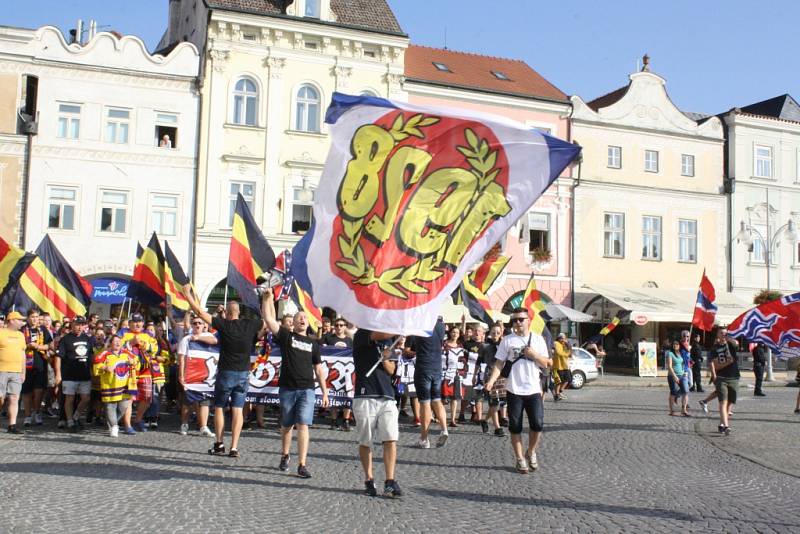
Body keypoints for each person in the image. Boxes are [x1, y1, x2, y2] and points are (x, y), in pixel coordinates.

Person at [183, 287, 266, 459]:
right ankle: (234, 447)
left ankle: (219, 443)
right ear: (239, 312)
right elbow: (267, 321)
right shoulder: (250, 324)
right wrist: (267, 299)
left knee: (220, 407)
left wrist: (188, 295)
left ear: (227, 313)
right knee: (237, 409)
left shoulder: (224, 325)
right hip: (243, 374)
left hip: (226, 372)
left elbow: (199, 311)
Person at [263, 291, 329, 478]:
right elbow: (269, 318)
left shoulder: (314, 344)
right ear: (293, 322)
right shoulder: (287, 337)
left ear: (308, 323)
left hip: (307, 389)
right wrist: (267, 299)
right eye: (299, 317)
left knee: (303, 424)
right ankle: (285, 455)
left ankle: (302, 463)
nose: (302, 320)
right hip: (287, 388)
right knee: (287, 425)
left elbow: (319, 370)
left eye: (304, 318)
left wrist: (324, 393)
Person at [485, 308, 552, 474]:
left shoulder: (538, 340)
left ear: (528, 320)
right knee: (515, 427)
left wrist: (534, 355)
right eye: (514, 320)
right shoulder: (507, 340)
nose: (517, 323)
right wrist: (491, 381)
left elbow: (547, 363)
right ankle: (520, 458)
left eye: (521, 319)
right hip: (514, 389)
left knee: (537, 424)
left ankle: (531, 451)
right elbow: (499, 363)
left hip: (533, 389)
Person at [352, 329, 402, 498]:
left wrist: (387, 356)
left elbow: (391, 370)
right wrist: (401, 328)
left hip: (387, 396)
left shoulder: (390, 341)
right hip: (365, 395)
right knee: (366, 441)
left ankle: (390, 480)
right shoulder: (362, 334)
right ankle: (369, 479)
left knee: (390, 438)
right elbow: (377, 335)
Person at [408, 317, 449, 449]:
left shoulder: (417, 325)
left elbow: (407, 348)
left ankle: (424, 439)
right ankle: (444, 429)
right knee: (437, 399)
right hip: (437, 367)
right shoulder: (441, 326)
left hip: (423, 367)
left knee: (425, 402)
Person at [177, 316, 218, 437]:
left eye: (200, 323)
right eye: (195, 323)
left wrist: (198, 337)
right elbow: (182, 358)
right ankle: (184, 424)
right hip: (190, 375)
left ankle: (203, 426)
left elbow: (214, 341)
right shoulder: (186, 339)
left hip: (206, 376)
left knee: (205, 401)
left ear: (204, 325)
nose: (197, 325)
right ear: (192, 325)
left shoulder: (209, 336)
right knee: (187, 402)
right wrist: (181, 376)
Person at [93, 335, 139, 436]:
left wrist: (133, 362)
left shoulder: (126, 353)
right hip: (110, 385)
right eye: (115, 341)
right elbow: (96, 365)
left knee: (123, 407)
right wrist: (105, 367)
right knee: (110, 407)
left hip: (125, 386)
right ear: (110, 343)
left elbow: (137, 361)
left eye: (119, 341)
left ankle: (113, 422)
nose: (118, 343)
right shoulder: (105, 354)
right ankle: (114, 426)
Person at [119, 313, 158, 432]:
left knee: (147, 397)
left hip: (145, 369)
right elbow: (116, 347)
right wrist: (130, 342)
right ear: (129, 323)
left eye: (139, 321)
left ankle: (137, 419)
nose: (137, 324)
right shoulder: (122, 333)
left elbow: (155, 349)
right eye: (134, 321)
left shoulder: (148, 334)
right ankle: (127, 424)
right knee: (129, 398)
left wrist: (144, 344)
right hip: (130, 370)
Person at [55, 316, 94, 432]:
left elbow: (91, 356)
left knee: (86, 398)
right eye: (77, 324)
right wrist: (58, 374)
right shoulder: (65, 339)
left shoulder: (87, 338)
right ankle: (70, 422)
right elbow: (58, 357)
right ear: (72, 324)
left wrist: (93, 371)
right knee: (69, 399)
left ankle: (76, 417)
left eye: (82, 324)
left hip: (84, 374)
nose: (80, 327)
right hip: (69, 374)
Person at [21, 309, 52, 427]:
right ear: (28, 317)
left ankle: (37, 412)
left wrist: (38, 346)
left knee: (39, 391)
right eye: (32, 317)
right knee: (27, 391)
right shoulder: (22, 330)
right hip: (26, 364)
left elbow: (50, 345)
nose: (35, 319)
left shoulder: (43, 329)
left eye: (37, 317)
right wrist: (27, 345)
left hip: (40, 364)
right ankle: (27, 415)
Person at [321, 318, 353, 431]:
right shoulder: (329, 338)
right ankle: (333, 421)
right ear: (334, 326)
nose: (339, 327)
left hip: (347, 373)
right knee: (333, 396)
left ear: (345, 327)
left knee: (347, 396)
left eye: (341, 325)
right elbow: (320, 349)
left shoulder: (350, 340)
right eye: (337, 325)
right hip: (332, 373)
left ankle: (346, 420)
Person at [0, 311, 27, 433]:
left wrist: (23, 372)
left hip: (16, 371)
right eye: (19, 320)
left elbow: (23, 354)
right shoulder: (1, 332)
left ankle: (12, 425)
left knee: (14, 398)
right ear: (11, 320)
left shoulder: (21, 335)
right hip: (1, 370)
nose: (22, 322)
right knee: (0, 398)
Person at [710, 328, 740, 435]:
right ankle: (727, 426)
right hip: (721, 378)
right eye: (721, 333)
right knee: (723, 402)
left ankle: (722, 423)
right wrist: (727, 363)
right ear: (717, 335)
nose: (723, 335)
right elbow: (715, 365)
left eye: (725, 333)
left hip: (734, 377)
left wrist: (730, 339)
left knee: (730, 403)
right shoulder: (715, 349)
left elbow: (736, 343)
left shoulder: (731, 345)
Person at [477, 324, 505, 437]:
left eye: (498, 333)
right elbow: (478, 361)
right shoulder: (485, 346)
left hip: (502, 375)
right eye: (493, 332)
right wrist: (475, 375)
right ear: (490, 333)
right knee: (494, 403)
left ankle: (484, 420)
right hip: (489, 375)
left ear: (501, 333)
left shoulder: (504, 345)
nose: (495, 335)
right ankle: (498, 428)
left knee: (498, 403)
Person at [441, 326, 465, 427]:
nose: (455, 334)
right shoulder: (444, 344)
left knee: (455, 398)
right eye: (453, 332)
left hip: (457, 374)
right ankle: (441, 417)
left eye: (457, 332)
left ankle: (453, 419)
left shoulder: (461, 346)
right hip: (445, 373)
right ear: (450, 333)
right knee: (443, 397)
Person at [666, 340, 690, 416]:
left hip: (682, 375)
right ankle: (671, 410)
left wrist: (685, 371)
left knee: (686, 391)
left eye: (677, 344)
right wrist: (674, 376)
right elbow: (669, 366)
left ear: (680, 345)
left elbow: (685, 363)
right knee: (673, 392)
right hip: (672, 375)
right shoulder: (670, 353)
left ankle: (684, 409)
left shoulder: (681, 353)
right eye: (674, 344)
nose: (675, 345)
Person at [552, 333, 571, 400]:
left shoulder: (565, 344)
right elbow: (559, 353)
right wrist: (567, 354)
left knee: (568, 380)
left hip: (565, 365)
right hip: (558, 366)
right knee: (558, 382)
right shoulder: (556, 343)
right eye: (562, 338)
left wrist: (568, 345)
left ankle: (559, 392)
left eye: (564, 338)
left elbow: (570, 353)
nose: (563, 340)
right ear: (558, 338)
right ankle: (557, 395)